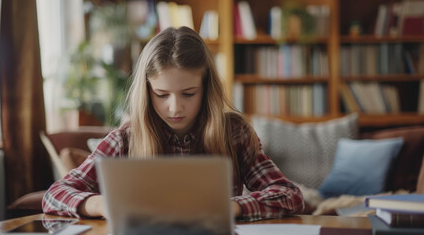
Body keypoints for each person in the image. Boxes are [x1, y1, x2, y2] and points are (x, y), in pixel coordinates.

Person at [42, 26, 304, 221]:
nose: (175, 107)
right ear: (147, 91)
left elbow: (289, 195)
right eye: (162, 95)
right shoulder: (125, 139)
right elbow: (54, 194)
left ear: (207, 88)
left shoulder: (233, 134)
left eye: (189, 93)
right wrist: (103, 205)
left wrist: (231, 207)